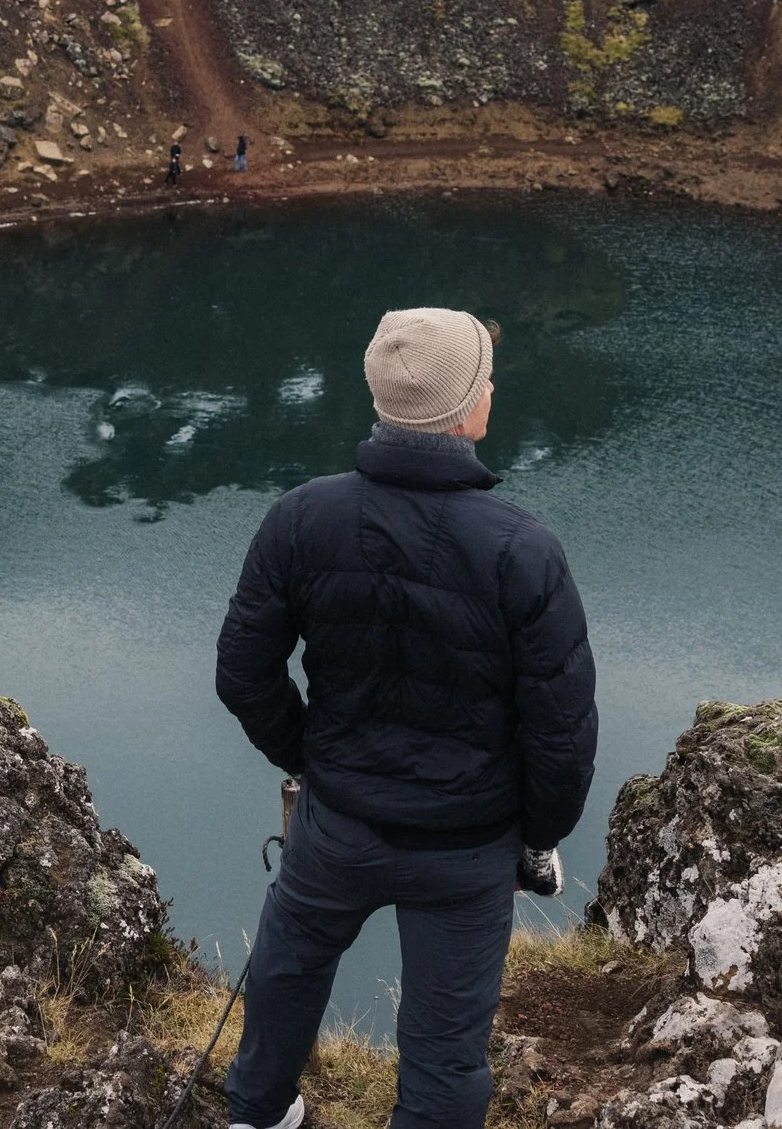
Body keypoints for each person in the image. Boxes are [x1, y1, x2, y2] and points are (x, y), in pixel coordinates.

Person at [216, 309, 597, 1129]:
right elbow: (560, 733)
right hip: (466, 846)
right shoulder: (524, 549)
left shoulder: (300, 517)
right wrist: (536, 835)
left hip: (338, 822)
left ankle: (256, 1113)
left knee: (288, 966)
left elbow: (243, 674)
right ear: (464, 408)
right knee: (445, 1049)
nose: (491, 386)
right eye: (483, 377)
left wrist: (314, 758)